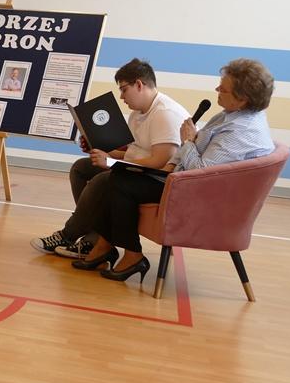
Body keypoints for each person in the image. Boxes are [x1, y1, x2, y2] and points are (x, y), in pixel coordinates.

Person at [77, 59, 276, 281]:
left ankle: (126, 253)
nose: (217, 89)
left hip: (199, 193)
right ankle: (108, 246)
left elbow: (201, 172)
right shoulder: (228, 115)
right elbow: (194, 148)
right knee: (116, 176)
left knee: (118, 181)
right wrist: (172, 164)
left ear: (242, 98)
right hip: (181, 178)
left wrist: (188, 141)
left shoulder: (240, 132)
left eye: (223, 88)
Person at [31, 58, 189, 259]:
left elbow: (160, 162)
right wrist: (102, 151)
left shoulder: (164, 113)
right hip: (139, 170)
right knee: (81, 168)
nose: (121, 96)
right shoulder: (137, 113)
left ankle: (67, 236)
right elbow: (134, 152)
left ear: (139, 84)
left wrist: (112, 163)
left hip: (159, 179)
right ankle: (94, 237)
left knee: (102, 180)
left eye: (124, 89)